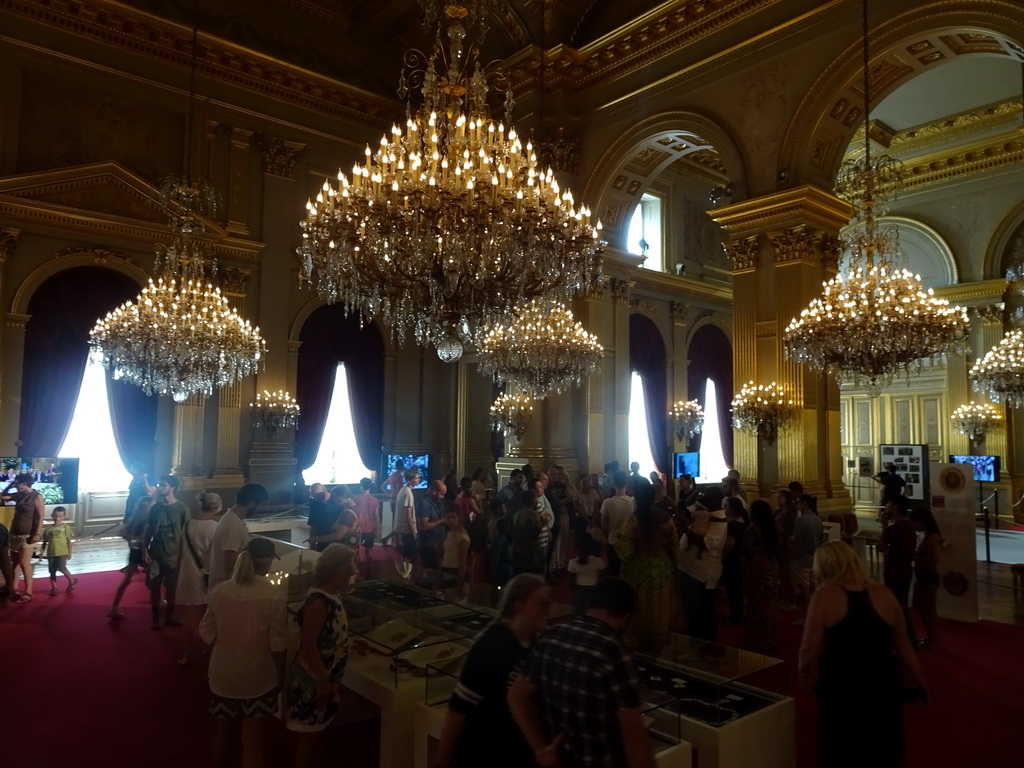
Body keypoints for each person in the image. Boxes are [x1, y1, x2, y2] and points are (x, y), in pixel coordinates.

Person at [799, 541, 927, 768]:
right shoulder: (884, 594)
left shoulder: (824, 595)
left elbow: (810, 646)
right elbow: (904, 645)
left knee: (843, 744)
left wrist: (804, 671)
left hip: (842, 681)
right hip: (883, 679)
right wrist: (920, 681)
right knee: (883, 742)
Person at [508, 578, 655, 768]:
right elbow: (635, 744)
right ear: (626, 617)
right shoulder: (614, 651)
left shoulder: (552, 635)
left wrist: (540, 749)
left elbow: (516, 696)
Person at [435, 573, 552, 768]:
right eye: (541, 603)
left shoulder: (537, 644)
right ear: (518, 604)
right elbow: (459, 708)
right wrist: (443, 759)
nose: (547, 609)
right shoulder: (492, 646)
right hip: (485, 751)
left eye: (548, 603)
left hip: (514, 751)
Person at [200, 537, 287, 768]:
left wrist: (225, 642)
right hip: (257, 675)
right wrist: (280, 674)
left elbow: (206, 630)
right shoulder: (273, 595)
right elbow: (277, 642)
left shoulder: (220, 590)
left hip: (222, 674)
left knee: (222, 736)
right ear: (268, 562)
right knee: (253, 742)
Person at [286, 544, 358, 767]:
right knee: (310, 735)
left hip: (327, 677)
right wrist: (322, 678)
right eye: (348, 568)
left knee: (319, 731)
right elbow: (309, 642)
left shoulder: (331, 595)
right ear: (335, 570)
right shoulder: (319, 602)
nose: (353, 572)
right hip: (315, 678)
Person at [615, 483, 678, 636]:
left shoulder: (633, 518)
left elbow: (626, 551)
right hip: (662, 568)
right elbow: (675, 545)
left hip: (639, 569)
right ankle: (660, 635)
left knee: (640, 606)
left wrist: (618, 541)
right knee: (660, 606)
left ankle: (639, 638)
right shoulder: (665, 517)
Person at [676, 489, 727, 641]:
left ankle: (704, 641)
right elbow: (688, 504)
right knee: (691, 606)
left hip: (701, 573)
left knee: (702, 608)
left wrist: (688, 531)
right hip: (689, 568)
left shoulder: (719, 519)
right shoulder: (705, 511)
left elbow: (707, 544)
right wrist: (697, 490)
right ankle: (695, 637)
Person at [177, 491, 221, 666]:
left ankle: (187, 654)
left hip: (189, 574)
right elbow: (218, 557)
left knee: (190, 619)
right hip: (209, 576)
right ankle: (207, 648)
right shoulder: (215, 527)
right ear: (217, 507)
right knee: (210, 617)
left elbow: (181, 553)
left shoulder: (188, 524)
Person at [143, 475, 191, 628]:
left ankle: (170, 616)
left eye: (163, 485)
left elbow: (187, 532)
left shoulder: (182, 508)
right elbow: (149, 529)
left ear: (172, 488)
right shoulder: (156, 508)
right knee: (154, 586)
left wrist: (185, 554)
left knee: (171, 587)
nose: (160, 488)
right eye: (160, 485)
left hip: (174, 553)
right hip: (156, 552)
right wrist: (145, 548)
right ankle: (155, 617)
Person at [209, 484, 269, 590]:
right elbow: (230, 565)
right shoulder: (232, 525)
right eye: (260, 505)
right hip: (227, 590)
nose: (259, 509)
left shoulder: (234, 520)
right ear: (252, 503)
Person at [741, 500, 782, 655]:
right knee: (770, 608)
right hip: (771, 569)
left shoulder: (753, 529)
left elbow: (745, 549)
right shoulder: (772, 527)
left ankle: (755, 645)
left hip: (757, 571)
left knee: (755, 608)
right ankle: (769, 644)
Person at [877, 495, 917, 642]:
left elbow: (880, 547)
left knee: (896, 607)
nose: (886, 506)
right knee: (901, 605)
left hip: (895, 572)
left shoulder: (894, 528)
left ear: (895, 506)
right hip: (905, 571)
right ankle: (907, 639)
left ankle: (906, 640)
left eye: (888, 503)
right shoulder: (909, 526)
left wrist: (884, 526)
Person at [109, 496, 155, 618]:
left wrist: (132, 541)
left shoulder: (135, 520)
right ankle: (159, 600)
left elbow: (123, 533)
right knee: (155, 579)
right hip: (146, 552)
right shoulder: (149, 520)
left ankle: (114, 606)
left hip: (135, 552)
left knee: (127, 580)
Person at [2, 473, 45, 602]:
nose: (16, 485)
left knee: (24, 563)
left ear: (23, 484)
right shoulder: (20, 495)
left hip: (28, 534)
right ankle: (13, 589)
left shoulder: (37, 497)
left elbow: (40, 516)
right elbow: (3, 496)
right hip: (15, 533)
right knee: (14, 563)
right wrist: (10, 484)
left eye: (17, 483)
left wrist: (37, 533)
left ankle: (28, 592)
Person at [909, 508, 942, 649]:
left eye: (915, 523)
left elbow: (935, 559)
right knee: (918, 605)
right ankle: (930, 636)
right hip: (922, 574)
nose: (914, 527)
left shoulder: (932, 537)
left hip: (928, 575)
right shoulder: (926, 534)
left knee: (929, 608)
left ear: (921, 521)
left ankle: (933, 638)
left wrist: (913, 557)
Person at [791, 493, 823, 623]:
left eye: (798, 502)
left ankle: (808, 618)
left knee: (804, 590)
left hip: (801, 558)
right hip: (813, 557)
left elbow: (797, 542)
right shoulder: (817, 519)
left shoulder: (801, 520)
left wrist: (792, 556)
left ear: (804, 504)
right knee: (813, 588)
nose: (796, 504)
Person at [512, 478, 550, 576]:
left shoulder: (517, 514)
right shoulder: (534, 515)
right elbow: (536, 531)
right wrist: (543, 522)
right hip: (534, 547)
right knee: (538, 569)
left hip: (519, 547)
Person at [599, 470, 633, 577]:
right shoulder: (633, 501)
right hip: (629, 541)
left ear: (613, 484)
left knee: (614, 572)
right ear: (627, 483)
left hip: (613, 540)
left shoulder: (608, 502)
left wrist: (610, 533)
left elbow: (603, 524)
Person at [721, 496, 749, 624]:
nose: (724, 508)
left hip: (731, 560)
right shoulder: (742, 522)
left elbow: (728, 545)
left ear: (732, 509)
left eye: (726, 506)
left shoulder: (733, 525)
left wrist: (720, 556)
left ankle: (735, 616)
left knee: (733, 590)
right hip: (738, 559)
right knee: (735, 589)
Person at [40, 505, 76, 596]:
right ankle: (54, 587)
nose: (57, 518)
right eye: (55, 516)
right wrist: (41, 552)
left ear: (64, 517)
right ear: (52, 516)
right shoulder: (48, 528)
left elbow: (69, 541)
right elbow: (45, 542)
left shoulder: (66, 527)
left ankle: (71, 580)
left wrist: (69, 552)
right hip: (51, 553)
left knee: (62, 568)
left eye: (60, 516)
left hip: (62, 552)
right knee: (52, 571)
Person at [567, 533, 605, 614]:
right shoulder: (598, 561)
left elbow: (571, 583)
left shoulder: (572, 562)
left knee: (579, 613)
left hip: (580, 592)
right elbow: (603, 578)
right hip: (594, 590)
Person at [417, 479, 448, 572]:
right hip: (429, 545)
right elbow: (424, 526)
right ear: (434, 491)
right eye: (441, 494)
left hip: (434, 545)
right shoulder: (424, 503)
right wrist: (442, 520)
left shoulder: (432, 502)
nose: (443, 497)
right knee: (431, 573)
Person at [440, 506, 471, 588]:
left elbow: (463, 561)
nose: (451, 520)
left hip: (455, 571)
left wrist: (460, 580)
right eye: (448, 518)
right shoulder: (449, 533)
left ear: (459, 518)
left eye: (453, 517)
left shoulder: (462, 535)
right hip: (446, 570)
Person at [393, 469, 419, 563]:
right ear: (409, 480)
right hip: (408, 532)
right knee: (410, 559)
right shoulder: (408, 493)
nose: (418, 479)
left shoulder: (402, 490)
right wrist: (414, 534)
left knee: (406, 557)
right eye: (416, 478)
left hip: (403, 531)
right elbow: (408, 517)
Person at [353, 477, 380, 561]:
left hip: (358, 528)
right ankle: (369, 568)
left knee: (357, 549)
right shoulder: (375, 500)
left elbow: (354, 514)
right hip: (370, 528)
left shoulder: (356, 499)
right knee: (369, 550)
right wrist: (378, 529)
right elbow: (376, 516)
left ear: (361, 486)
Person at [490, 517, 514, 587]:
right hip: (503, 572)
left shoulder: (497, 540)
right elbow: (499, 558)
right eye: (508, 527)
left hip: (499, 571)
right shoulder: (502, 541)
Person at [0, 520, 13, 601]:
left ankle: (9, 587)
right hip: (2, 529)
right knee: (4, 558)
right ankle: (10, 587)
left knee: (4, 558)